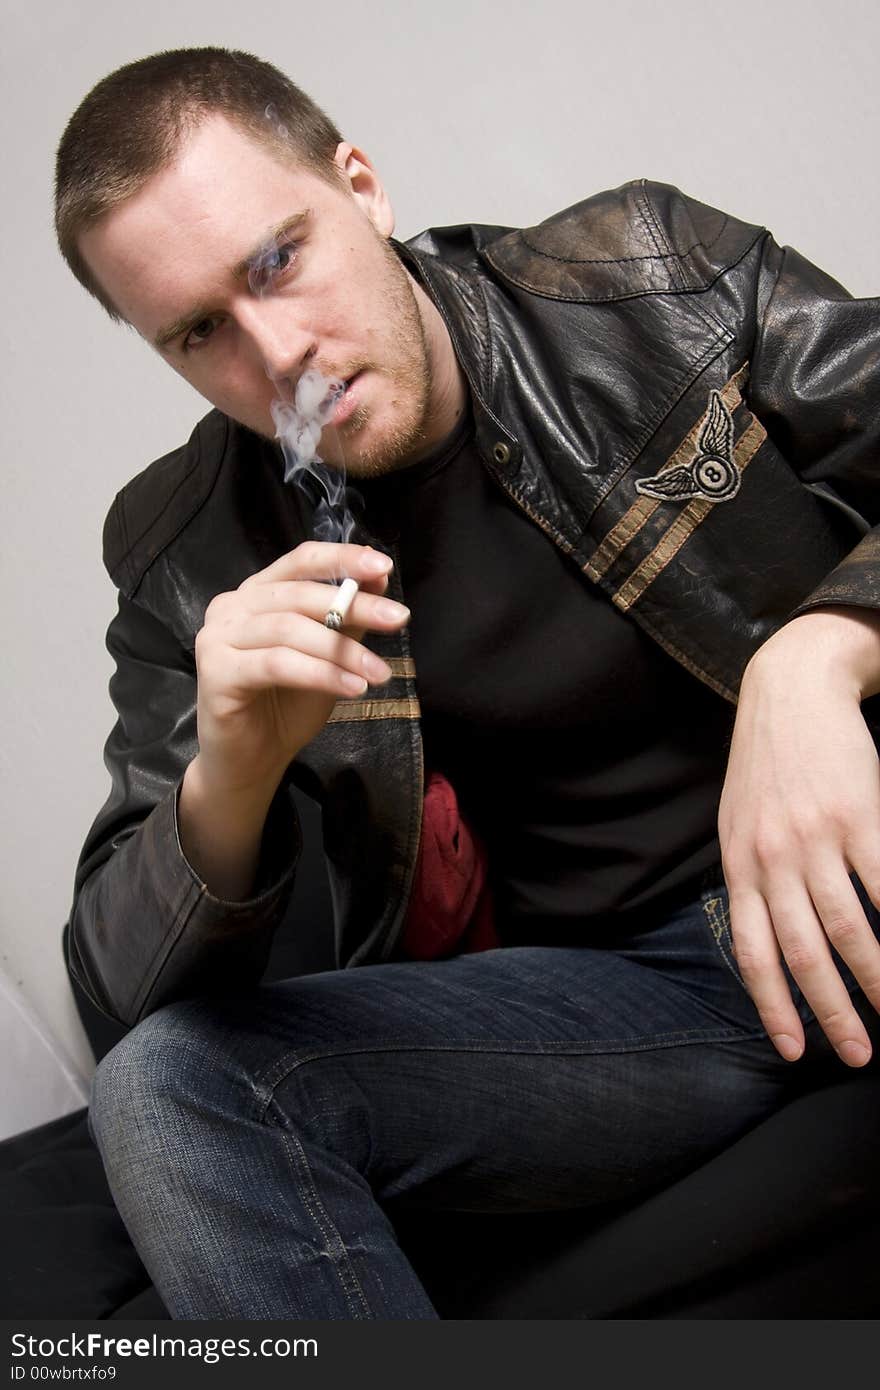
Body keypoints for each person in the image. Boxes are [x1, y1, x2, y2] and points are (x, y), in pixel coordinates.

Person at [55, 46, 880, 1319]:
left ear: (362, 187)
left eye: (277, 260)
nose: (275, 354)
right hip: (653, 1001)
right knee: (171, 1088)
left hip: (863, 845)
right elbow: (118, 1004)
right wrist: (230, 767)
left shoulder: (646, 275)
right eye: (200, 331)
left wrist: (815, 654)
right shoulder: (187, 552)